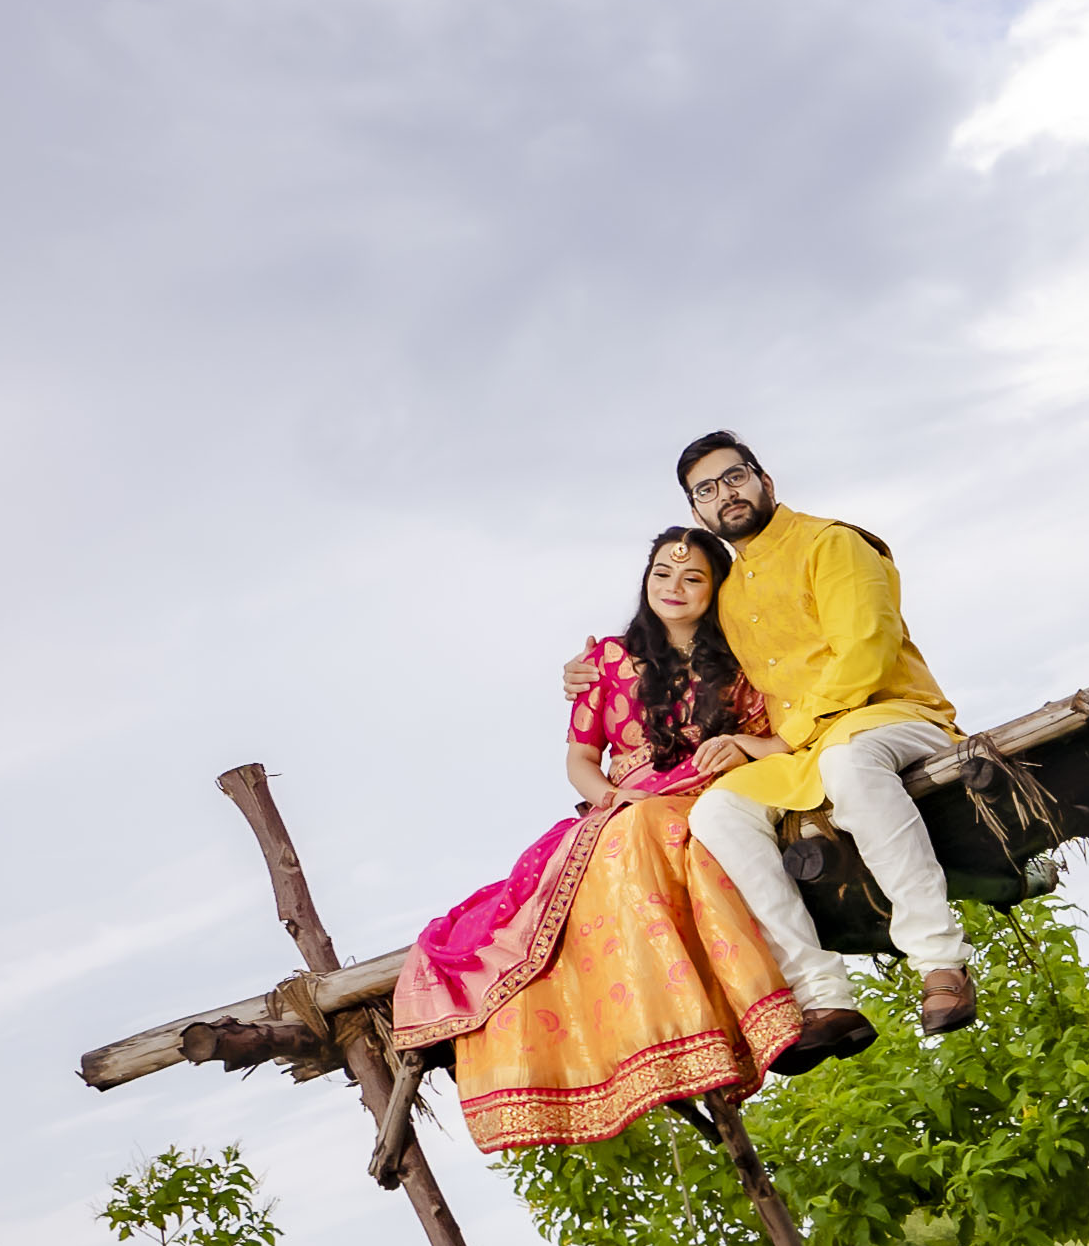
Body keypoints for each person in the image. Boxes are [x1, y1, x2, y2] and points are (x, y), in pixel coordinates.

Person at [389, 527, 875, 1149]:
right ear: (645, 582)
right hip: (626, 802)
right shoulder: (609, 660)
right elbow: (581, 760)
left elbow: (781, 733)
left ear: (716, 588)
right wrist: (613, 798)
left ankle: (782, 1016)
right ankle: (699, 1033)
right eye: (662, 576)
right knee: (629, 843)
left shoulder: (747, 657)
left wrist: (747, 749)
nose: (674, 588)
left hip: (715, 788)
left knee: (684, 834)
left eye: (693, 577)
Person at [670, 429, 979, 1038]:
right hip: (809, 749)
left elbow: (866, 651)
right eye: (705, 491)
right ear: (697, 512)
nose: (724, 495)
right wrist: (593, 671)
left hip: (894, 716)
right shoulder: (728, 593)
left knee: (848, 762)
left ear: (765, 480)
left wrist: (788, 738)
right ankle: (822, 995)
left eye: (735, 477)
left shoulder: (831, 543)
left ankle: (941, 961)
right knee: (717, 812)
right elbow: (673, 638)